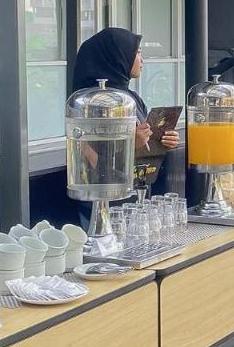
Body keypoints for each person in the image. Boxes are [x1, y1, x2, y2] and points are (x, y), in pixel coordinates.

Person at [71, 28, 178, 227]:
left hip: (136, 195)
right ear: (117, 57)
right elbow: (89, 158)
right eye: (137, 53)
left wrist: (163, 140)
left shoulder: (131, 98)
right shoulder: (93, 103)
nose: (142, 60)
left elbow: (144, 144)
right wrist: (130, 145)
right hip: (103, 205)